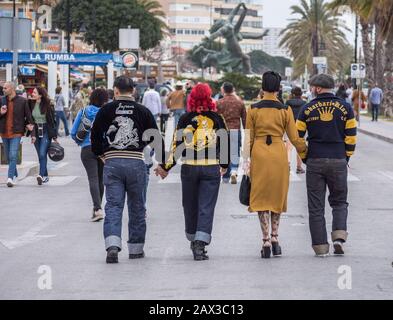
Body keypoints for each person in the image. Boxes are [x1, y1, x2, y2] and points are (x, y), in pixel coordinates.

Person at [91, 76, 165, 264]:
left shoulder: (106, 110)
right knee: (137, 207)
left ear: (115, 90)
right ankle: (136, 249)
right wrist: (161, 162)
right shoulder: (143, 111)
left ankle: (112, 246)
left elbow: (95, 135)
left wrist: (101, 154)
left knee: (113, 206)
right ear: (132, 90)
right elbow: (156, 138)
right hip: (136, 163)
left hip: (113, 163)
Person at [155, 83, 229, 261]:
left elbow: (177, 145)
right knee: (206, 207)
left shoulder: (185, 118)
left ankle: (192, 236)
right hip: (211, 167)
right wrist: (224, 165)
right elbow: (225, 142)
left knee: (189, 205)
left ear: (192, 98)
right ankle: (200, 243)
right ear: (210, 98)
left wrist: (165, 167)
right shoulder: (217, 118)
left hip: (189, 167)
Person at [243, 71, 307, 259]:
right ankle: (276, 238)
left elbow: (248, 138)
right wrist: (306, 154)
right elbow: (295, 138)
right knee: (277, 197)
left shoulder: (253, 109)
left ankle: (265, 241)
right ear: (279, 89)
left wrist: (246, 160)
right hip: (279, 153)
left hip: (259, 154)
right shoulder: (285, 110)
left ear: (262, 88)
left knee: (261, 197)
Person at [296, 74, 357, 257]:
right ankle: (338, 237)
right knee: (339, 202)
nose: (311, 89)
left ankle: (321, 247)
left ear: (318, 89)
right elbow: (351, 137)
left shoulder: (307, 108)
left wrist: (305, 157)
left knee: (316, 207)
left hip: (315, 159)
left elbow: (298, 138)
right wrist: (346, 157)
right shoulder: (346, 108)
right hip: (338, 159)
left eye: (312, 86)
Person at [71, 88, 109, 222]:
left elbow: (73, 132)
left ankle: (97, 209)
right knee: (100, 179)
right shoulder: (107, 113)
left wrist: (80, 142)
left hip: (87, 149)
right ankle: (98, 208)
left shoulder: (83, 112)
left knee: (92, 179)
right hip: (103, 150)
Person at [0, 82, 35, 187]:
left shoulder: (22, 101)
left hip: (17, 132)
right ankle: (15, 175)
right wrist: (1, 112)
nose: (3, 90)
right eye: (3, 88)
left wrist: (32, 133)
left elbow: (29, 118)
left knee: (13, 155)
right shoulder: (1, 100)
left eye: (5, 88)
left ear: (12, 89)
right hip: (4, 133)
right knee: (8, 156)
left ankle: (10, 177)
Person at [217, 82, 246, 184]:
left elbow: (216, 118)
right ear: (232, 90)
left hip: (223, 130)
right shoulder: (240, 102)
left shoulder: (219, 102)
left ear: (223, 90)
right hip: (235, 129)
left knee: (224, 152)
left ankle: (225, 177)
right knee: (235, 151)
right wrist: (246, 130)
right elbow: (244, 118)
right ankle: (234, 171)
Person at [28, 87, 57, 185]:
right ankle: (45, 176)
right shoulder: (31, 103)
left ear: (40, 95)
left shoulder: (48, 105)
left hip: (46, 131)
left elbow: (53, 121)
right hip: (36, 131)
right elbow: (29, 118)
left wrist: (54, 136)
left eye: (35, 92)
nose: (32, 94)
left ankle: (41, 175)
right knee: (41, 155)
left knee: (42, 153)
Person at [285, 87, 307, 174]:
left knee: (288, 147)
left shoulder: (288, 103)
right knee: (299, 147)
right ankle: (299, 167)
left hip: (289, 126)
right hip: (301, 127)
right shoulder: (304, 103)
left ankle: (288, 165)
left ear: (292, 94)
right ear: (301, 94)